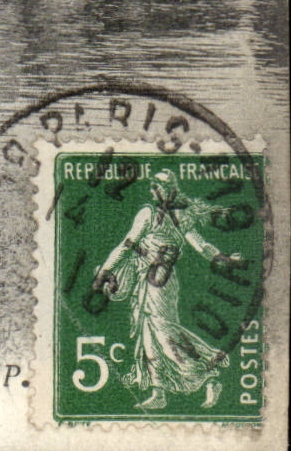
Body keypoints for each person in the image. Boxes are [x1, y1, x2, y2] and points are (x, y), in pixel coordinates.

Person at [94, 170, 238, 411]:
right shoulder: (148, 214)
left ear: (172, 189)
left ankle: (208, 377)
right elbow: (128, 245)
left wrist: (225, 259)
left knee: (163, 332)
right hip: (147, 279)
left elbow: (201, 246)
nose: (156, 190)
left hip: (161, 281)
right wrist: (107, 270)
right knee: (148, 334)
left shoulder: (178, 217)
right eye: (154, 186)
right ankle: (158, 391)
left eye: (161, 186)